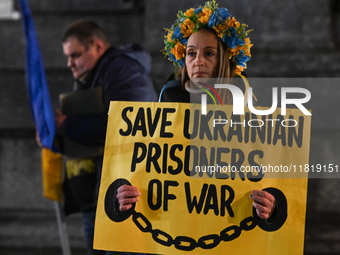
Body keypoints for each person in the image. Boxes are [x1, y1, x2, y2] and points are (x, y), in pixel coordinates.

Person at [116, 1, 276, 221]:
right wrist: (126, 193)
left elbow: (268, 174)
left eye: (209, 53)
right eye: (191, 53)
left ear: (224, 59)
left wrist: (270, 205)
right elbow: (146, 166)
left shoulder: (250, 105)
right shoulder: (168, 100)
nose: (198, 61)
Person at [56, 20, 157, 255]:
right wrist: (55, 136)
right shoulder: (96, 76)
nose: (69, 63)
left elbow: (128, 124)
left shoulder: (123, 70)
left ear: (97, 46)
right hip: (99, 194)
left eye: (75, 55)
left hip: (120, 195)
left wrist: (66, 125)